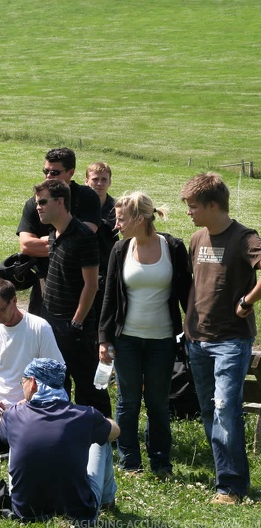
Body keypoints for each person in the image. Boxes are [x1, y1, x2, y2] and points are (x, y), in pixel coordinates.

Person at [179, 172, 261, 505]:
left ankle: (231, 487)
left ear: (213, 205)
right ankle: (224, 477)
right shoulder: (197, 239)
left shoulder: (245, 238)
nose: (189, 213)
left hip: (231, 340)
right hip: (197, 338)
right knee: (209, 411)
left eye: (193, 206)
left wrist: (248, 300)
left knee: (226, 408)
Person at [98, 192, 191, 476]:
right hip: (126, 340)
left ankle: (161, 462)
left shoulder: (173, 246)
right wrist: (103, 339)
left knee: (158, 403)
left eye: (121, 219)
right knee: (127, 402)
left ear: (139, 219)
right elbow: (109, 298)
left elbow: (187, 293)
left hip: (163, 340)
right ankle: (130, 463)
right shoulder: (120, 249)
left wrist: (194, 329)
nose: (117, 224)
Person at [0, 358, 119, 523]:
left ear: (32, 383)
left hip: (26, 511)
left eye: (23, 381)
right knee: (102, 439)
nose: (23, 386)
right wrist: (102, 423)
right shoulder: (85, 415)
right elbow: (115, 432)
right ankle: (106, 501)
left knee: (14, 434)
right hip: (79, 511)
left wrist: (17, 408)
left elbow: (1, 427)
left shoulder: (13, 415)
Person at [34, 179, 111, 418]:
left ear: (60, 202)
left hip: (76, 327)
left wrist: (76, 323)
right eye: (37, 203)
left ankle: (102, 436)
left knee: (89, 386)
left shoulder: (84, 235)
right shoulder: (54, 233)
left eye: (43, 202)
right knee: (57, 383)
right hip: (52, 322)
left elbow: (90, 286)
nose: (38, 207)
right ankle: (64, 429)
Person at [0, 278, 64, 453]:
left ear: (14, 301)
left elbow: (55, 375)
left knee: (32, 449)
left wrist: (31, 401)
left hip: (32, 406)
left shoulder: (39, 328)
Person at [17, 148, 100, 315]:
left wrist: (44, 241)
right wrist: (64, 246)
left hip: (78, 283)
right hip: (43, 281)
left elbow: (85, 237)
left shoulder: (86, 197)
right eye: (45, 171)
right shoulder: (35, 202)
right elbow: (26, 246)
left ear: (71, 172)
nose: (48, 176)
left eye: (54, 172)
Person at [85, 161, 119, 320]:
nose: (99, 183)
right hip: (83, 270)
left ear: (110, 182)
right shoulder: (78, 206)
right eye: (95, 179)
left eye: (104, 179)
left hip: (108, 269)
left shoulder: (117, 208)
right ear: (86, 181)